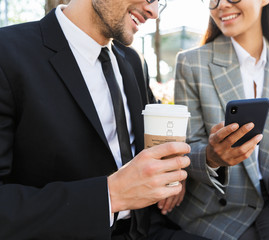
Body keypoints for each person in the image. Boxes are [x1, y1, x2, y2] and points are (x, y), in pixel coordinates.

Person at [0, 0, 210, 239]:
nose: (153, 12)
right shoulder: (7, 53)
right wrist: (111, 195)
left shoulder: (133, 61)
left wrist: (192, 161)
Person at [167, 0, 269, 239]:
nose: (221, 5)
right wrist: (211, 157)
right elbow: (186, 147)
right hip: (217, 208)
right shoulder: (191, 63)